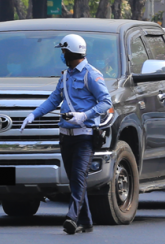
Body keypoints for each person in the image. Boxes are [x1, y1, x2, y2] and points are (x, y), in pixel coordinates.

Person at [20, 34, 112, 235]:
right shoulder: (65, 76)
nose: (62, 55)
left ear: (70, 52)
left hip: (85, 135)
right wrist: (33, 114)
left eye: (63, 52)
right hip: (65, 136)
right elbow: (54, 100)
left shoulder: (91, 74)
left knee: (79, 177)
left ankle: (72, 218)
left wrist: (84, 116)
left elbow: (106, 102)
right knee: (74, 180)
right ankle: (86, 221)